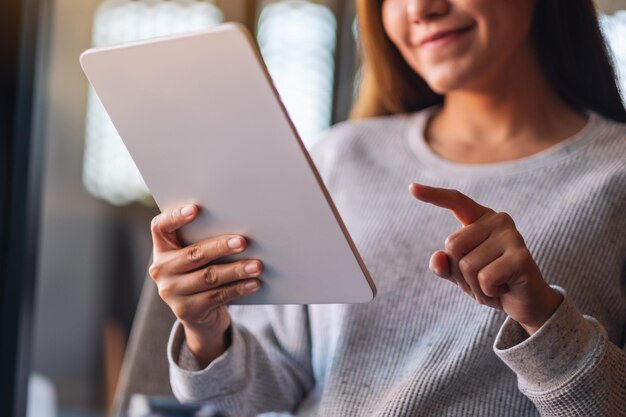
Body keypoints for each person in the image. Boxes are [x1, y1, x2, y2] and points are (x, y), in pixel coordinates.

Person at [148, 0, 626, 415]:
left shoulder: (615, 174)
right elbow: (266, 391)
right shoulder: (341, 156)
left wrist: (542, 317)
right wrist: (206, 331)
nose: (420, 9)